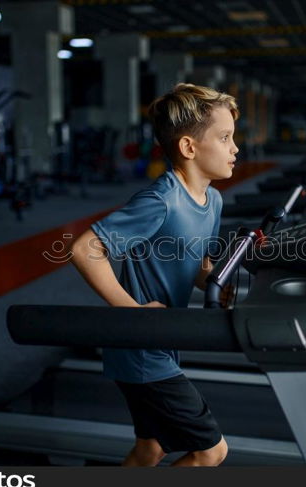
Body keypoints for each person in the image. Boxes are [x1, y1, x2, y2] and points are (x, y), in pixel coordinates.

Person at [70, 83, 238, 467]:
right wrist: (134, 313)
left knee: (151, 449)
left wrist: (216, 283)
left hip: (160, 340)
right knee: (212, 452)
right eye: (225, 138)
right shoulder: (160, 200)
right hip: (142, 349)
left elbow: (196, 264)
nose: (235, 149)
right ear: (188, 147)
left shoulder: (212, 198)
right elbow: (84, 250)